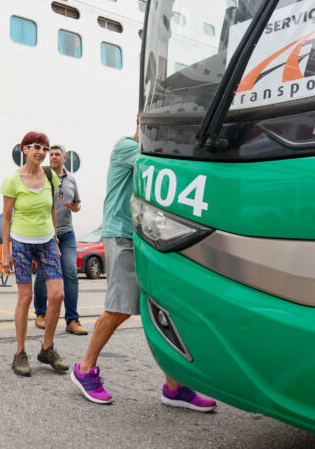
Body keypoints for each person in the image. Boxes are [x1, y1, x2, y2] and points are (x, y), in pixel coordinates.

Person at [71, 124, 217, 412]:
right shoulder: (126, 146)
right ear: (141, 125)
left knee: (165, 306)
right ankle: (84, 369)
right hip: (122, 234)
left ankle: (174, 387)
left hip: (148, 235)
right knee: (119, 307)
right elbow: (165, 169)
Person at [0, 132, 68, 377]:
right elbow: (6, 217)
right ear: (25, 149)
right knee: (25, 298)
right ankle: (20, 353)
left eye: (45, 148)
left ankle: (47, 348)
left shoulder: (51, 177)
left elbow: (53, 208)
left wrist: (56, 240)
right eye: (37, 146)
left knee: (58, 294)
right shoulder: (12, 181)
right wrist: (5, 251)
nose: (41, 152)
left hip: (47, 241)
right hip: (21, 243)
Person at [34, 145, 86, 335]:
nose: (54, 157)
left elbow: (77, 205)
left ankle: (72, 320)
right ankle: (41, 314)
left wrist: (74, 207)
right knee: (42, 275)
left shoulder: (71, 180)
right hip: (46, 234)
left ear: (64, 158)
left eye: (57, 154)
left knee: (71, 273)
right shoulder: (42, 176)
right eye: (52, 154)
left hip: (67, 234)